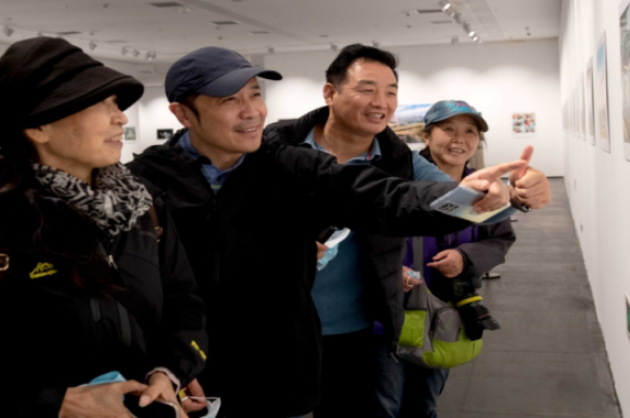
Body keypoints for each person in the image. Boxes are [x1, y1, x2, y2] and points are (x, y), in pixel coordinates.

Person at [126, 46, 528, 417]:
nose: (251, 111)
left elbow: (385, 197)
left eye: (255, 95)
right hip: (187, 365)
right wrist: (169, 365)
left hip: (279, 363)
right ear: (182, 113)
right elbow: (139, 291)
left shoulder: (287, 165)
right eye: (229, 100)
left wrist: (473, 197)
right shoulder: (144, 182)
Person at [0, 38, 208, 418]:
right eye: (100, 104)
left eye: (116, 102)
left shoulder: (144, 212)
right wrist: (57, 404)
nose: (121, 117)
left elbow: (184, 304)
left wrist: (168, 372)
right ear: (38, 127)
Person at [264, 45, 551, 418]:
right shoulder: (273, 148)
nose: (380, 102)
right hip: (275, 323)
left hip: (359, 329)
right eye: (367, 89)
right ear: (330, 93)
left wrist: (514, 196)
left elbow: (448, 198)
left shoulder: (402, 162)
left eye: (391, 91)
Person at [374, 100, 524, 418]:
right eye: (448, 129)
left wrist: (465, 257)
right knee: (384, 405)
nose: (459, 139)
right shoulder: (396, 181)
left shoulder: (484, 189)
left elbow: (499, 239)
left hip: (442, 313)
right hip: (388, 313)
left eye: (470, 131)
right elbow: (362, 235)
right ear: (426, 136)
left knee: (424, 404)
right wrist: (390, 270)